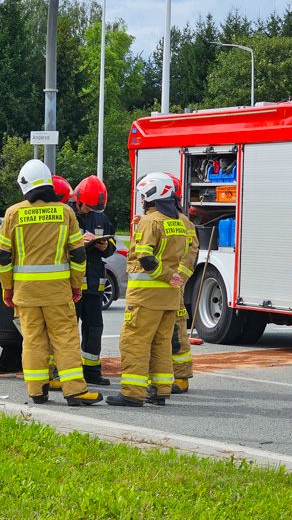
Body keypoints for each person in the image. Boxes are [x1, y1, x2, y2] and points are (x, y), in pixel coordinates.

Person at [0, 159, 102, 406]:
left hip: (25, 291)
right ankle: (75, 391)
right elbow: (77, 254)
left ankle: (37, 391)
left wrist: (7, 287)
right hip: (58, 291)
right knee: (64, 339)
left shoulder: (13, 213)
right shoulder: (65, 212)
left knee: (33, 340)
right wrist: (76, 284)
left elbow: (2, 256)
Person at [106, 173, 188, 407]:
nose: (142, 199)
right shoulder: (178, 222)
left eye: (144, 195)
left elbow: (146, 258)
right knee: (161, 343)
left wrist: (165, 275)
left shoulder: (150, 222)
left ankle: (132, 393)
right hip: (168, 298)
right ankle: (160, 389)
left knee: (135, 342)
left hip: (146, 296)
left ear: (153, 194)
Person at [69, 176, 117, 385]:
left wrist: (106, 247)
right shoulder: (66, 213)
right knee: (68, 330)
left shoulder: (100, 217)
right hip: (72, 286)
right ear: (78, 200)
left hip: (94, 286)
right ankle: (64, 372)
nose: (89, 211)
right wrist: (81, 241)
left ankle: (92, 372)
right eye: (87, 207)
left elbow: (114, 241)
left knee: (94, 328)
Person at [165, 174, 198, 394]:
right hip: (160, 286)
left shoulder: (182, 222)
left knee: (177, 334)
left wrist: (179, 279)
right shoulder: (161, 219)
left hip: (173, 287)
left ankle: (182, 378)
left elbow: (191, 253)